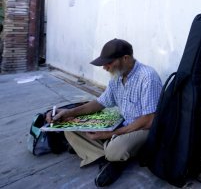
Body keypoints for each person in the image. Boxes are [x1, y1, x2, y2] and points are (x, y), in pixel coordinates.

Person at [46, 38, 162, 187]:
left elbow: (149, 120)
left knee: (115, 149)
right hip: (125, 125)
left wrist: (110, 134)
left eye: (109, 63)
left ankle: (109, 154)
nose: (105, 68)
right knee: (69, 129)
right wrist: (69, 112)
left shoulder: (147, 77)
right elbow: (100, 103)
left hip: (144, 128)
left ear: (125, 58)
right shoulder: (117, 77)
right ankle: (110, 158)